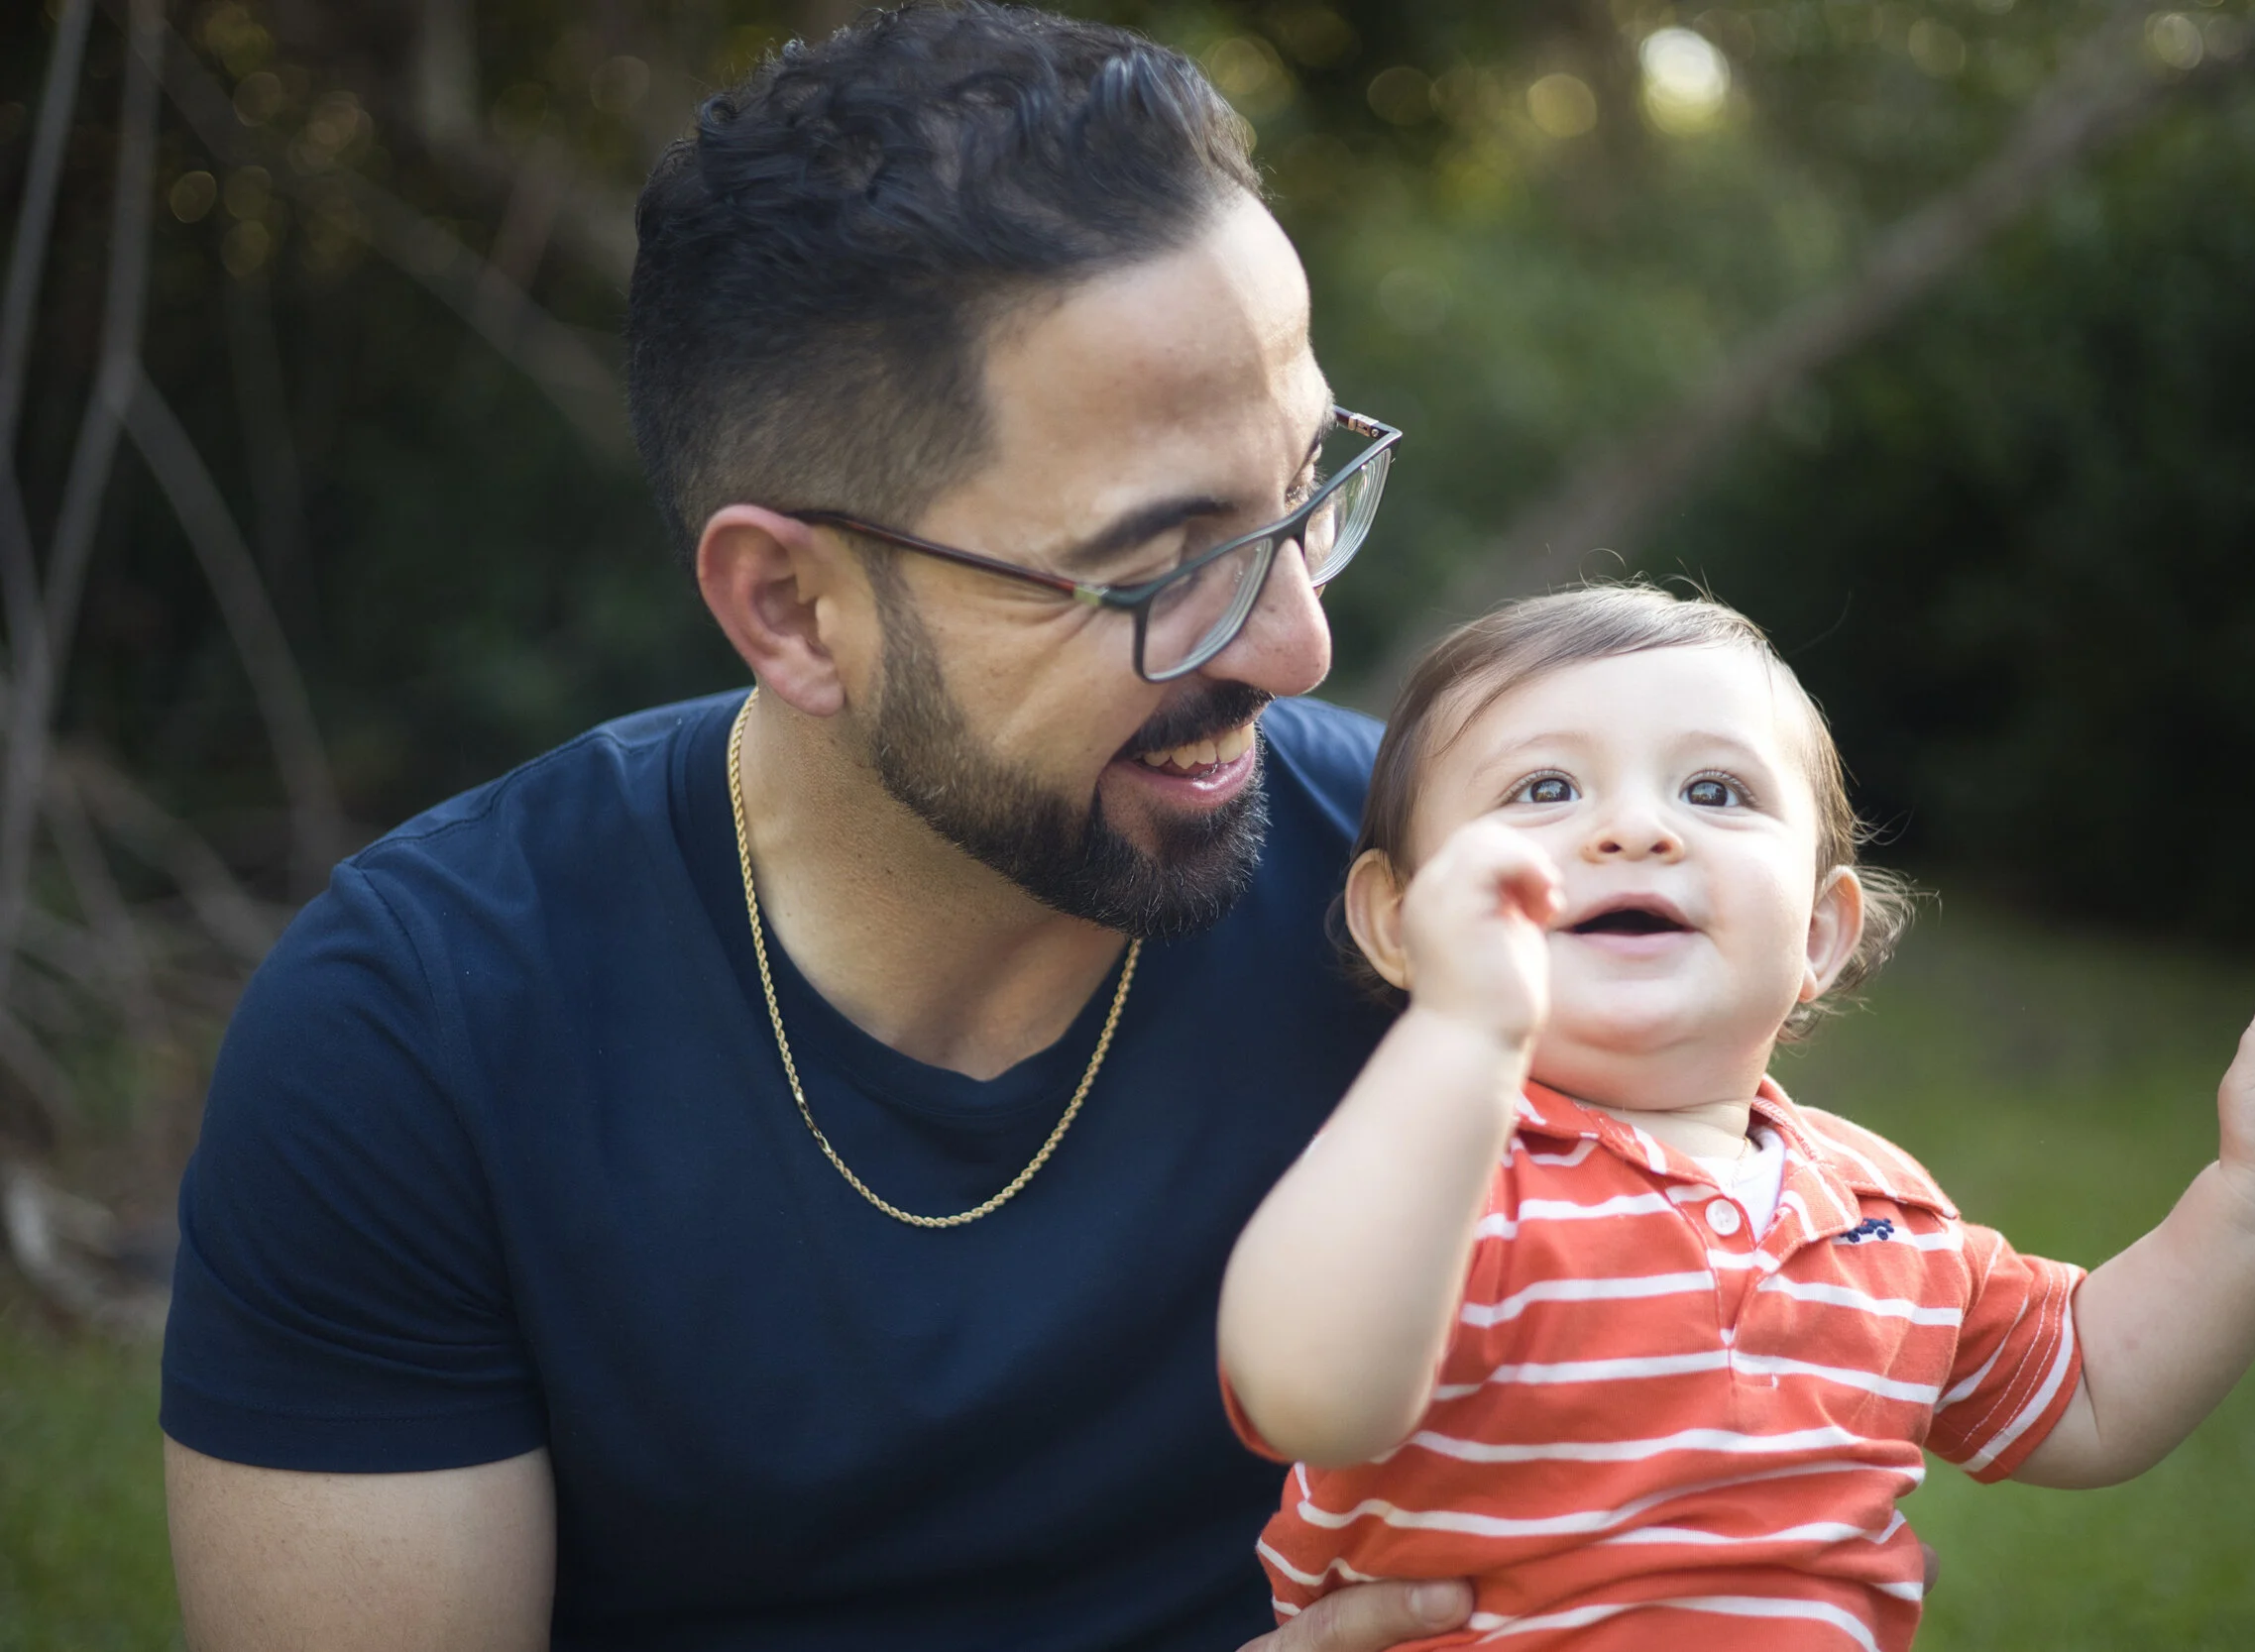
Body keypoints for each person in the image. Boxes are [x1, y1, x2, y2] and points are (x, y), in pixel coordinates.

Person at [159, 8, 1472, 1649]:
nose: (1297, 648)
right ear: (790, 607)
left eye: (1302, 492)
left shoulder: (1437, 897)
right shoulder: (420, 1036)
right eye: (1156, 567)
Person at [1216, 585, 2255, 1650]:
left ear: (1820, 934)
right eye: (1545, 787)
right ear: (1398, 920)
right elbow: (1311, 1392)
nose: (1636, 827)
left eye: (1712, 788)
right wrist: (1462, 1039)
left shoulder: (1879, 1209)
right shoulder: (1436, 1164)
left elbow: (2091, 1388)